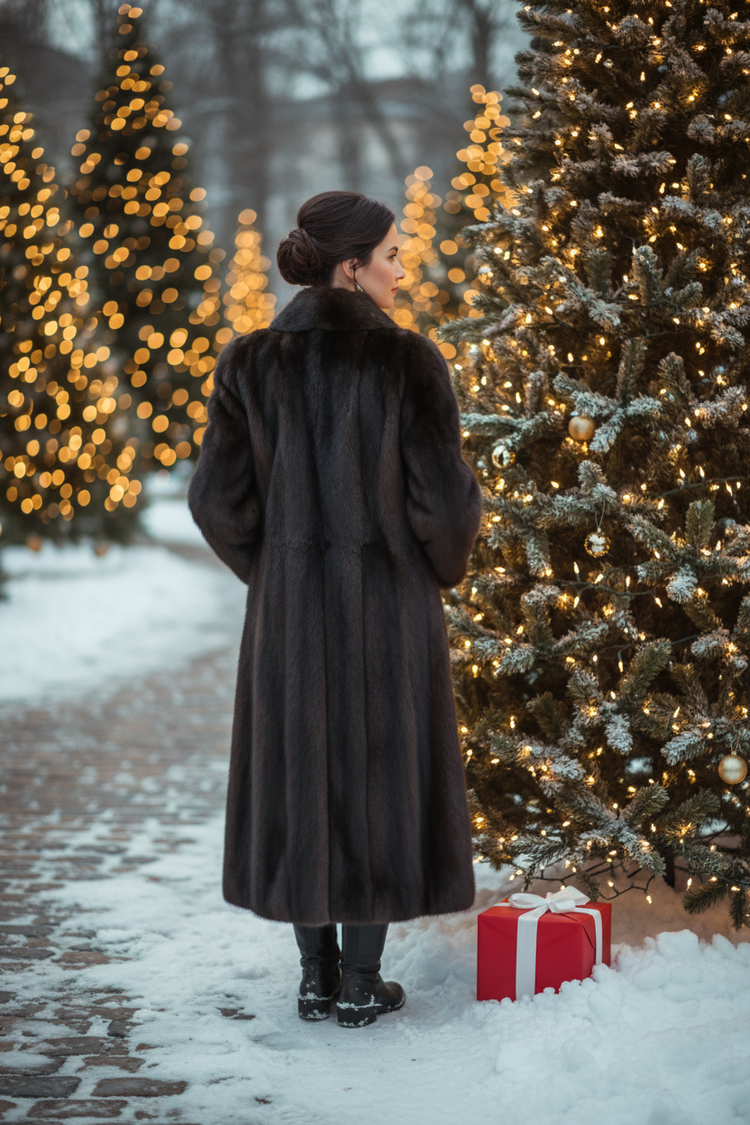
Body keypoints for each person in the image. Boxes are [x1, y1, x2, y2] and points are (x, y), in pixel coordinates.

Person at [188, 190, 482, 1028]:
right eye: (391, 254)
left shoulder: (249, 362)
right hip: (391, 614)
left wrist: (276, 571)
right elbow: (448, 509)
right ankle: (361, 981)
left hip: (289, 618)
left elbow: (216, 502)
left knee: (302, 772)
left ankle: (314, 977)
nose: (401, 267)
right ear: (351, 265)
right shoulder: (408, 362)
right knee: (380, 772)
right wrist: (433, 571)